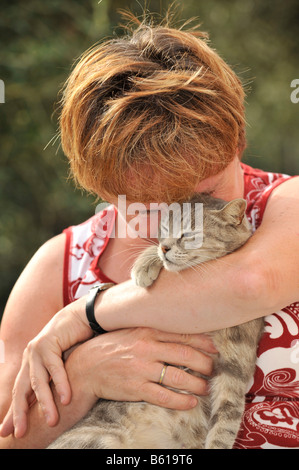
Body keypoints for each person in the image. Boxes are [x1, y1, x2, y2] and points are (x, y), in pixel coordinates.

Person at [0, 14, 298, 449]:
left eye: (201, 190)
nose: (177, 220)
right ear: (102, 186)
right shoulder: (56, 267)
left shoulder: (287, 205)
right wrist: (83, 376)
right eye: (150, 203)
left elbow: (252, 282)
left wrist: (84, 316)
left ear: (238, 140)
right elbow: (10, 440)